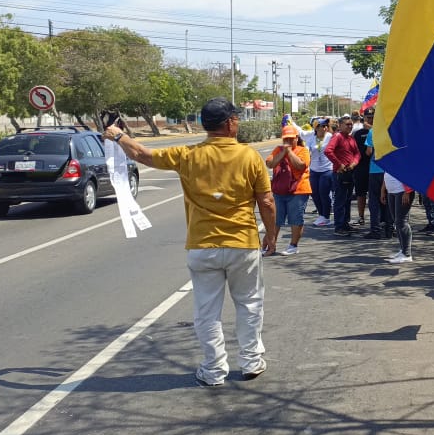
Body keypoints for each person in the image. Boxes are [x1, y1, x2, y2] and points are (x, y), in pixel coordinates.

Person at [105, 98, 276, 386]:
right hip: (242, 243)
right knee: (249, 305)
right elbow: (267, 201)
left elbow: (143, 155)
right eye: (237, 119)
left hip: (202, 246)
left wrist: (119, 135)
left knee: (207, 313)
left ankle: (213, 370)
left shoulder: (188, 154)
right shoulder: (249, 156)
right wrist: (271, 234)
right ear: (230, 123)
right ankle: (251, 362)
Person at [265, 124, 311, 255]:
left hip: (298, 190)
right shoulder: (278, 150)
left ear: (297, 138)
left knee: (296, 219)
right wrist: (283, 152)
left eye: (292, 139)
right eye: (286, 139)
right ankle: (271, 245)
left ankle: (293, 245)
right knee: (276, 220)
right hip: (280, 190)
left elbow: (301, 166)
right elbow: (270, 163)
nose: (289, 142)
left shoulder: (303, 150)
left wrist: (289, 152)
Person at [325, 115, 360, 236]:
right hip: (340, 173)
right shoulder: (337, 137)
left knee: (347, 199)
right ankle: (339, 226)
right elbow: (328, 151)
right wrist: (339, 164)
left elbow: (357, 153)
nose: (350, 126)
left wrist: (354, 163)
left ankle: (345, 223)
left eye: (351, 124)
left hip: (350, 172)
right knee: (340, 200)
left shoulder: (351, 138)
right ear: (340, 126)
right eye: (347, 124)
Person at [364, 125, 391, 240]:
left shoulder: (373, 131)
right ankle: (390, 229)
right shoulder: (391, 129)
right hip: (390, 170)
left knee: (374, 201)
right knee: (390, 200)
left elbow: (369, 151)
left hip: (375, 169)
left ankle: (375, 230)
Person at [305, 119, 334, 227]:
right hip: (314, 170)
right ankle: (321, 215)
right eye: (322, 126)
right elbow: (306, 151)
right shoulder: (311, 139)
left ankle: (325, 217)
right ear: (316, 128)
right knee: (314, 194)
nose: (325, 128)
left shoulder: (330, 137)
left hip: (327, 169)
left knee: (323, 193)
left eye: (326, 126)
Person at [381, 172, 413, 264]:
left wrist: (407, 192)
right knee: (397, 222)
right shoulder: (389, 158)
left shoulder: (403, 158)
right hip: (391, 191)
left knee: (402, 222)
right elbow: (386, 172)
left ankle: (407, 254)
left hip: (402, 191)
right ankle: (403, 250)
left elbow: (409, 172)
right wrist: (383, 190)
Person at [352, 108, 373, 226]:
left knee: (376, 195)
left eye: (372, 117)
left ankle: (378, 218)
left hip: (376, 167)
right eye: (368, 117)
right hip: (361, 167)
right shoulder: (358, 133)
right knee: (361, 194)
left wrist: (372, 130)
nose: (370, 119)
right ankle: (361, 216)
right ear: (363, 118)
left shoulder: (379, 131)